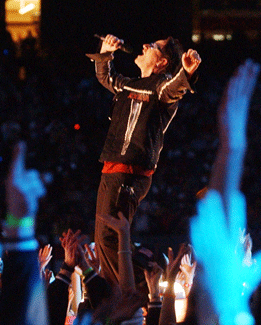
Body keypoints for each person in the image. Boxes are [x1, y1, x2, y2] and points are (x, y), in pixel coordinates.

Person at [86, 34, 201, 285]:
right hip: (113, 172)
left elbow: (174, 89)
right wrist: (105, 53)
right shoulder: (130, 85)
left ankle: (145, 289)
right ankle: (122, 296)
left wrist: (187, 73)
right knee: (106, 239)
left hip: (128, 174)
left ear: (161, 63)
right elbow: (106, 76)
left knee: (109, 238)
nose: (145, 45)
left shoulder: (161, 87)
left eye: (154, 47)